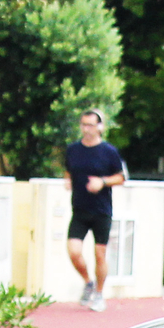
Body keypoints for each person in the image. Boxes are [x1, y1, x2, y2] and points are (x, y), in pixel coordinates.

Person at [64, 108, 126, 311]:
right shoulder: (73, 149)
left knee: (100, 254)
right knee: (74, 252)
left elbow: (121, 177)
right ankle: (88, 282)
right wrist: (67, 180)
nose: (86, 129)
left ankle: (99, 294)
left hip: (101, 211)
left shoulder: (109, 152)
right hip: (79, 210)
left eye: (90, 125)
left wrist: (102, 182)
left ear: (100, 127)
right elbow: (68, 169)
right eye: (83, 125)